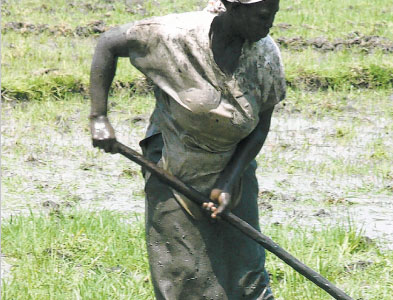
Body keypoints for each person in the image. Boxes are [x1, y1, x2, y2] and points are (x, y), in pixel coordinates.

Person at [88, 0, 285, 298]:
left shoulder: (265, 53)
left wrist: (228, 181)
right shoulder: (174, 35)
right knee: (185, 279)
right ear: (233, 7)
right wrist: (99, 118)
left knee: (248, 279)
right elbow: (108, 43)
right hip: (174, 166)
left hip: (235, 166)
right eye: (262, 15)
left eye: (273, 14)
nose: (269, 22)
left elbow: (260, 125)